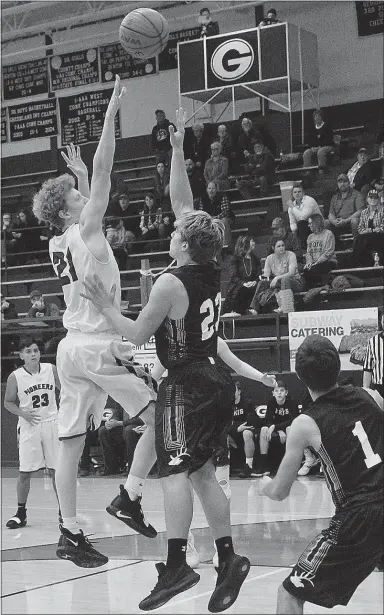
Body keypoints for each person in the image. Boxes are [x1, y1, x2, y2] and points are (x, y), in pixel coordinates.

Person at [80, 108, 276, 612]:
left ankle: (176, 564)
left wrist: (106, 308)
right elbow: (184, 203)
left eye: (175, 232)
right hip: (214, 380)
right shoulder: (211, 268)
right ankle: (229, 557)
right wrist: (175, 149)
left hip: (186, 383)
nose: (169, 231)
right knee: (204, 473)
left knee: (172, 473)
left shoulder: (170, 281)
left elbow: (138, 331)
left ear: (185, 244)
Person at [32, 77, 158, 569]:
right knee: (161, 413)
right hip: (101, 346)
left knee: (70, 444)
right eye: (77, 195)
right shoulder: (87, 228)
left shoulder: (57, 241)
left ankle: (69, 530)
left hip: (69, 348)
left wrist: (77, 179)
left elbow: (87, 199)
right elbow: (106, 171)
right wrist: (109, 117)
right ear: (70, 208)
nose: (87, 198)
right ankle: (129, 494)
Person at [256, 335, 383, 614]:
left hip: (359, 517)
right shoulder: (371, 396)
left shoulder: (305, 423)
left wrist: (264, 485)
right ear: (339, 368)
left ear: (300, 377)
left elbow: (279, 492)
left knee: (289, 594)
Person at [4, 337, 61, 529]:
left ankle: (65, 512)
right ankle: (21, 513)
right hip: (29, 426)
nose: (33, 354)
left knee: (56, 471)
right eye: (28, 351)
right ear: (21, 355)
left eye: (36, 350)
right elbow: (8, 402)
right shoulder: (15, 376)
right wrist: (23, 413)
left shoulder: (51, 369)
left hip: (52, 422)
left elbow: (66, 390)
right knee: (25, 472)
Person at [250, 237, 304, 315]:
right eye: (279, 246)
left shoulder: (291, 255)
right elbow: (266, 276)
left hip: (295, 282)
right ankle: (255, 308)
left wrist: (277, 278)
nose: (282, 248)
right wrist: (257, 280)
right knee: (262, 283)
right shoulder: (269, 258)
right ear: (273, 248)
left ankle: (284, 307)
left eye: (283, 245)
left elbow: (291, 273)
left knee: (285, 279)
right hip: (279, 283)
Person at [255, 380, 299, 476]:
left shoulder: (292, 402)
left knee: (289, 428)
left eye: (282, 390)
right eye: (276, 391)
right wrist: (278, 430)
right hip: (277, 430)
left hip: (287, 429)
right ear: (273, 393)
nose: (279, 393)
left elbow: (293, 421)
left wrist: (276, 427)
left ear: (286, 392)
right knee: (263, 429)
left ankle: (291, 465)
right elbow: (268, 420)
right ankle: (264, 466)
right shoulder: (271, 402)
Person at [228, 381, 265, 479]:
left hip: (247, 431)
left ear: (239, 391)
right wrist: (236, 428)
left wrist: (236, 427)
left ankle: (249, 466)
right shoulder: (226, 404)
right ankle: (225, 464)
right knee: (223, 435)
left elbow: (250, 421)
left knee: (246, 433)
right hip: (233, 432)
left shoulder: (247, 403)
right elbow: (222, 423)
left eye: (234, 390)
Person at [222, 235, 261, 316]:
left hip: (253, 285)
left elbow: (259, 275)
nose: (254, 243)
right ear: (246, 243)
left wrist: (255, 281)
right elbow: (234, 276)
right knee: (241, 291)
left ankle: (251, 310)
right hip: (239, 285)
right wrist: (243, 283)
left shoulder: (256, 259)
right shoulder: (235, 259)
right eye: (252, 241)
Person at [197, 180, 235, 251]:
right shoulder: (203, 198)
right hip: (209, 219)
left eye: (213, 188)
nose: (211, 190)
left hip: (223, 218)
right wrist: (209, 219)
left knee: (224, 221)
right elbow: (201, 212)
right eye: (209, 188)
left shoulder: (222, 196)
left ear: (216, 189)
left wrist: (215, 219)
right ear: (207, 189)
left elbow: (225, 212)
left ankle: (226, 246)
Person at [325, 173, 365, 240]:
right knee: (326, 223)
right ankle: (334, 247)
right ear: (337, 184)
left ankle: (357, 246)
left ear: (349, 183)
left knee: (354, 221)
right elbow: (331, 214)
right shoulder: (334, 197)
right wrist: (334, 221)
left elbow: (361, 211)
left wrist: (346, 220)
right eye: (340, 182)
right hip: (338, 223)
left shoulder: (357, 194)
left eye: (345, 181)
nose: (342, 184)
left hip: (350, 222)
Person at [303, 214, 337, 289]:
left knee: (316, 269)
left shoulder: (328, 234)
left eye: (310, 223)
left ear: (317, 222)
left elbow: (328, 253)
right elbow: (308, 253)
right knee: (306, 270)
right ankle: (311, 292)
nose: (309, 225)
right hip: (315, 263)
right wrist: (309, 263)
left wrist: (316, 262)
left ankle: (322, 288)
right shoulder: (310, 237)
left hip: (328, 261)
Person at [352, 189, 384, 267]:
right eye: (371, 197)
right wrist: (371, 230)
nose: (373, 200)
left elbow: (382, 228)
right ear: (367, 199)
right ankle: (358, 263)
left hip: (379, 237)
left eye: (375, 198)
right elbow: (360, 228)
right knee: (360, 239)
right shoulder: (364, 212)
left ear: (378, 200)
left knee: (363, 239)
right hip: (366, 237)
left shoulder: (382, 211)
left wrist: (369, 230)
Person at [287, 182, 321, 249]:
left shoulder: (309, 200)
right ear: (292, 194)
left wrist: (293, 207)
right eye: (295, 192)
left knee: (301, 224)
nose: (297, 193)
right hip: (303, 228)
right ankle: (298, 250)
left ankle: (305, 248)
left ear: (303, 193)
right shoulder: (291, 207)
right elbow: (292, 222)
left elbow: (303, 217)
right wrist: (294, 231)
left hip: (317, 224)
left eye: (299, 191)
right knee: (292, 230)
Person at [302, 109, 334, 174]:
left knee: (321, 151)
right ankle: (307, 172)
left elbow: (329, 140)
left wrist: (320, 146)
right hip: (316, 148)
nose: (317, 118)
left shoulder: (327, 126)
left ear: (322, 117)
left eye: (319, 116)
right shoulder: (312, 129)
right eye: (315, 116)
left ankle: (322, 171)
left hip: (328, 146)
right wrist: (312, 147)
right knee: (306, 153)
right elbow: (310, 141)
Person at [363, 309, 384, 399]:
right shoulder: (373, 342)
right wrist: (365, 391)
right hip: (379, 387)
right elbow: (368, 369)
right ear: (381, 323)